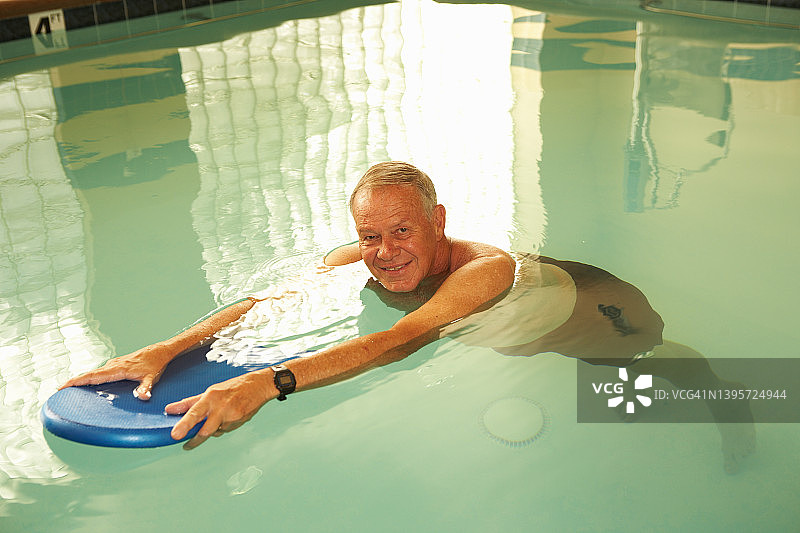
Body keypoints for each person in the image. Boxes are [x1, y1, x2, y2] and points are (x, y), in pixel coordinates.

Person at [61, 161, 754, 472]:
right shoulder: (357, 256)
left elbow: (402, 338)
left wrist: (267, 382)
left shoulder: (480, 271)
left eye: (401, 232)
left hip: (595, 313)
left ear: (438, 221)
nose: (383, 253)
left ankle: (742, 419)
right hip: (520, 329)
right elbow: (267, 301)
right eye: (370, 236)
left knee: (656, 370)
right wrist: (170, 346)